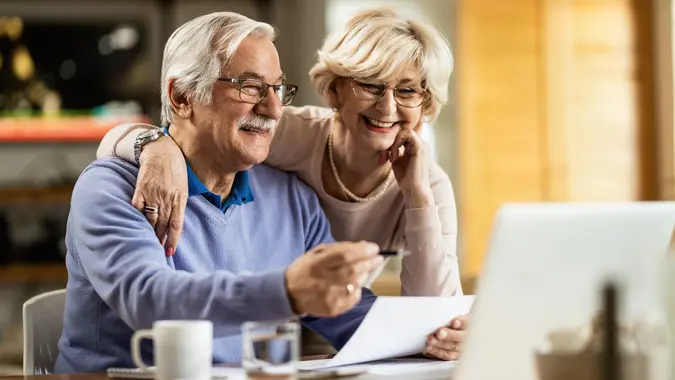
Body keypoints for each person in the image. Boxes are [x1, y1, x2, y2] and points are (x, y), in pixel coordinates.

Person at [55, 11, 461, 372]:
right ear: (181, 97)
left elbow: (353, 316)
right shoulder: (112, 186)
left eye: (278, 89)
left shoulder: (292, 198)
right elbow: (151, 301)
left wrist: (439, 336)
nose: (272, 108)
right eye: (249, 87)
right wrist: (288, 290)